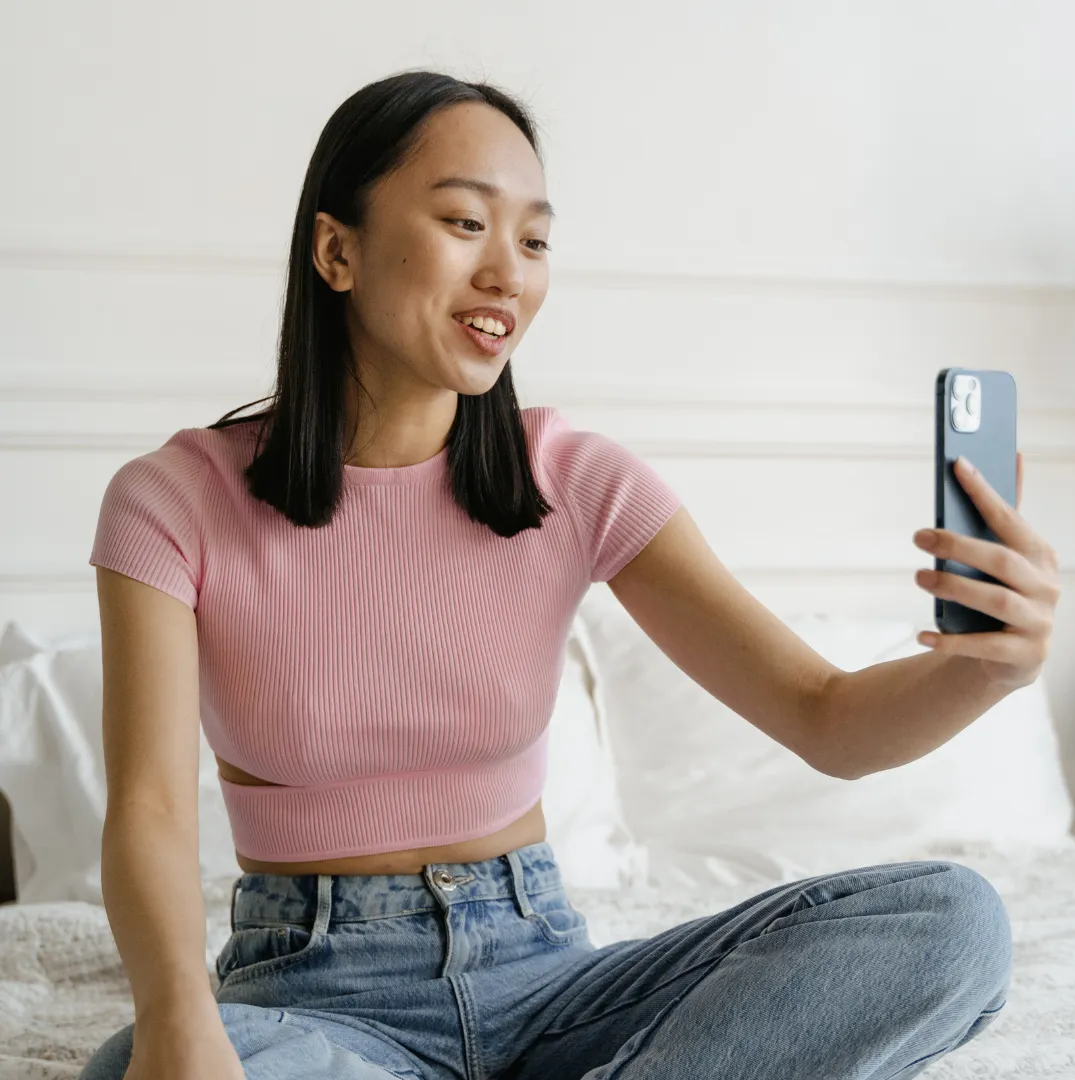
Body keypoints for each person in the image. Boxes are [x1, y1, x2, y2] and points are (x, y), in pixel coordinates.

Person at [79, 70, 1016, 1080]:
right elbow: (152, 811)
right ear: (336, 250)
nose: (508, 274)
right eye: (465, 222)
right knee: (135, 1062)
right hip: (316, 1002)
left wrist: (989, 666)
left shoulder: (573, 480)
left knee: (952, 922)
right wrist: (180, 1019)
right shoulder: (171, 500)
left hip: (552, 987)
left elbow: (830, 719)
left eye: (532, 241)